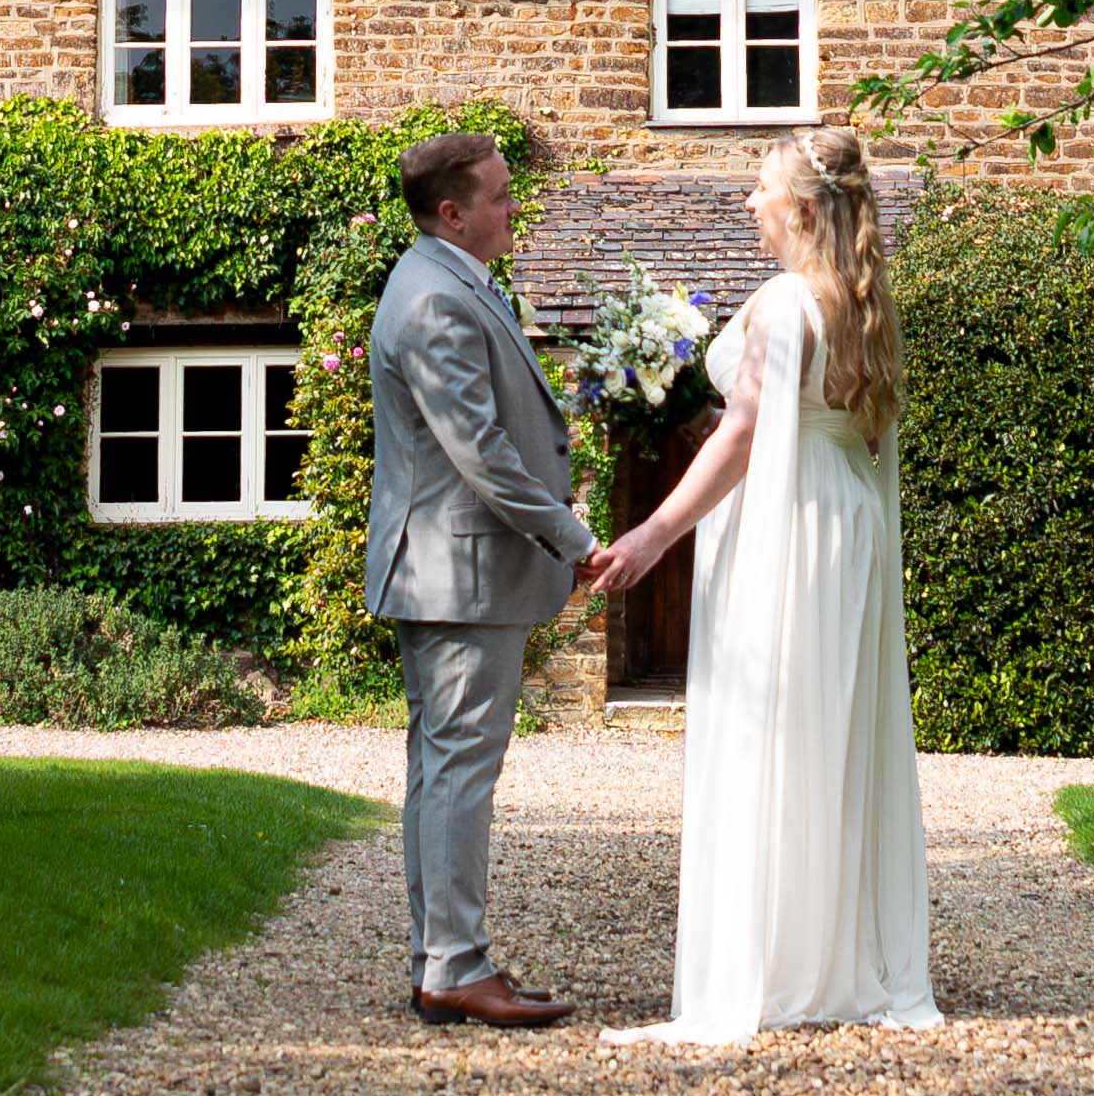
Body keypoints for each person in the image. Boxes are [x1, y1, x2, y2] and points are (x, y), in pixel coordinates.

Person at [584, 120, 936, 1044]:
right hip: (846, 520)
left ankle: (770, 968)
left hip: (789, 520)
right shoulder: (863, 299)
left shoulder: (785, 303)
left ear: (804, 208)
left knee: (770, 727)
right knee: (829, 733)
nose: (749, 200)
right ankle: (827, 957)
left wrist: (653, 532)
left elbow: (742, 436)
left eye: (762, 186)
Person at [367, 128, 600, 1028]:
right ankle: (454, 965)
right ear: (452, 212)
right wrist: (570, 537)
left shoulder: (449, 279)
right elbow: (481, 452)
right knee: (458, 768)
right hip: (458, 571)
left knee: (443, 767)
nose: (514, 207)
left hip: (451, 569)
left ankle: (443, 959)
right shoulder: (434, 297)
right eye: (500, 196)